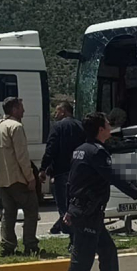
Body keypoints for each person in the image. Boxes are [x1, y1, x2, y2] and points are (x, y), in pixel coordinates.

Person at [54, 112, 137, 271]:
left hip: (84, 211)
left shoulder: (80, 151)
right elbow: (113, 177)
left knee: (107, 250)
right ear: (100, 129)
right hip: (88, 213)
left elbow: (71, 182)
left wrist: (69, 209)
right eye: (108, 124)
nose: (110, 126)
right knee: (82, 259)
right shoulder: (97, 152)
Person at [0, 96, 39, 257]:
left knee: (8, 213)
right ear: (14, 110)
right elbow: (22, 156)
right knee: (31, 210)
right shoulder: (16, 127)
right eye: (21, 108)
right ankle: (30, 244)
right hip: (17, 177)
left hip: (2, 178)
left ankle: (8, 245)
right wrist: (30, 177)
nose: (24, 111)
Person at [40, 100, 86, 238]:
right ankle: (68, 229)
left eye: (57, 111)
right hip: (79, 171)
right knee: (76, 203)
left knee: (63, 204)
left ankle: (70, 234)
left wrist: (43, 168)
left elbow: (51, 148)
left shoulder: (58, 127)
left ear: (64, 111)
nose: (55, 114)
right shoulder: (81, 126)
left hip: (61, 172)